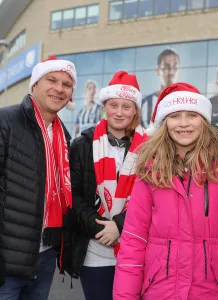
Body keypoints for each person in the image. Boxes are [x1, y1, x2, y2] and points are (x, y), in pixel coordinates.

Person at [113, 82, 218, 299]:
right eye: (175, 116)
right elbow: (133, 239)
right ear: (165, 122)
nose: (183, 124)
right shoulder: (149, 171)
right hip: (160, 289)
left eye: (192, 115)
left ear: (204, 121)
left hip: (212, 289)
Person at [0, 56, 77, 299]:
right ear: (34, 85)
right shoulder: (6, 121)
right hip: (7, 259)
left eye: (66, 84)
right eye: (52, 80)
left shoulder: (64, 136)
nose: (59, 89)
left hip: (44, 256)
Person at [68, 71, 147, 300]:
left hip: (137, 250)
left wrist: (119, 226)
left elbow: (154, 199)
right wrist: (102, 227)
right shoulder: (83, 144)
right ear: (105, 107)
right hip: (95, 250)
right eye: (114, 105)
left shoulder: (151, 148)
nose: (119, 112)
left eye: (126, 106)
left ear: (135, 111)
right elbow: (72, 194)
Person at [141, 48, 180, 127]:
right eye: (166, 66)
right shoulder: (143, 103)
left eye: (175, 66)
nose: (171, 71)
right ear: (158, 71)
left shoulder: (187, 102)